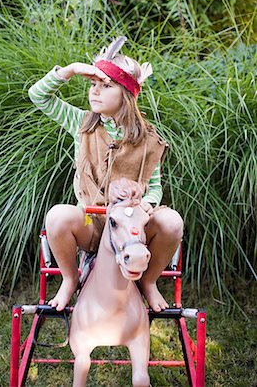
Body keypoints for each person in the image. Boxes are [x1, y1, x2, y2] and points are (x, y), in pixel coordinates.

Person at [28, 36, 184, 313]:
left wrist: (145, 205)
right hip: (93, 221)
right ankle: (69, 279)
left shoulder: (148, 138)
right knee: (58, 215)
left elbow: (155, 187)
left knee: (172, 221)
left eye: (106, 86)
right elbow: (37, 96)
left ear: (126, 94)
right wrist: (73, 69)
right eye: (93, 85)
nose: (95, 92)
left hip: (132, 227)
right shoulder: (81, 123)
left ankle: (148, 282)